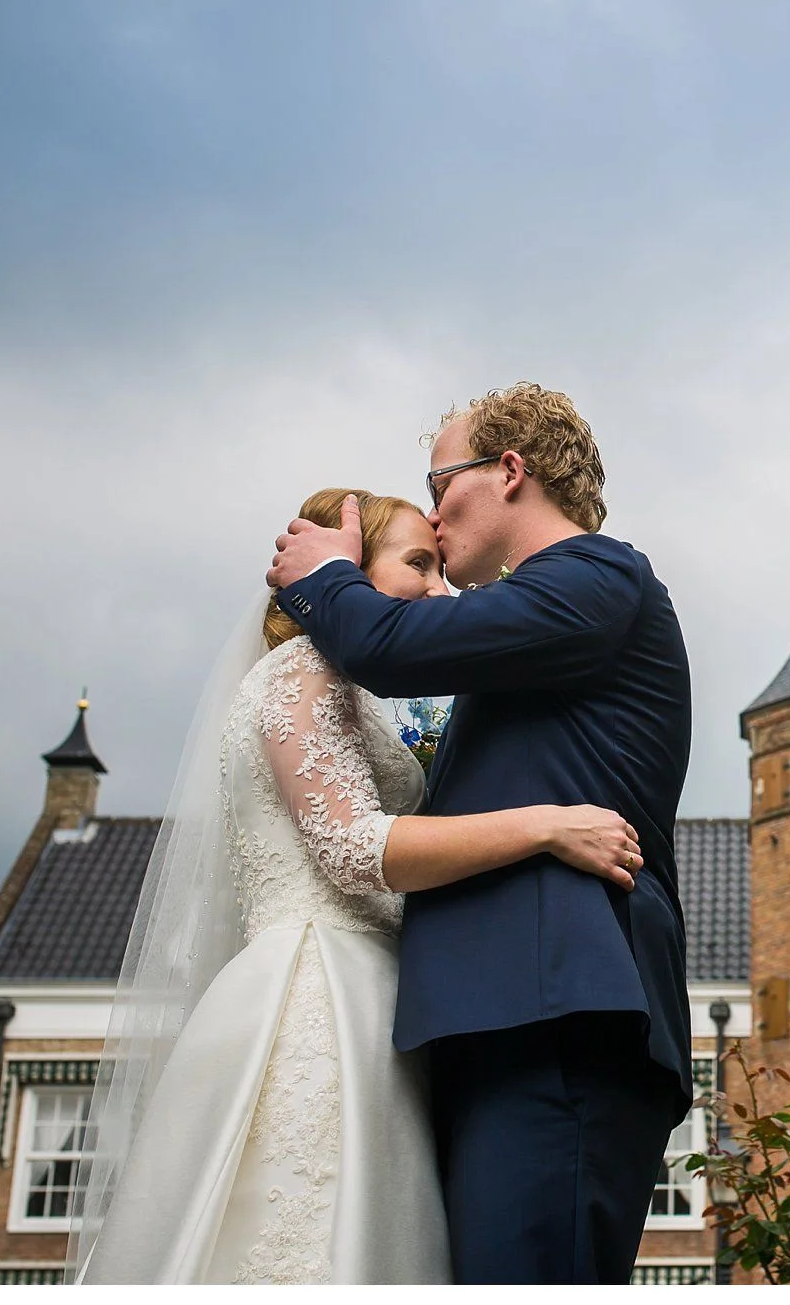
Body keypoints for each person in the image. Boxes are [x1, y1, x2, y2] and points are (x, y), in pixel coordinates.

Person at [70, 489, 644, 1284]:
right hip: (319, 991)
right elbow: (351, 845)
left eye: (441, 568)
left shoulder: (339, 686)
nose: (441, 589)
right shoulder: (305, 671)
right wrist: (548, 825)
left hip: (366, 987)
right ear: (348, 566)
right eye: (418, 564)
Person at [268, 384, 694, 1284]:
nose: (431, 510)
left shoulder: (599, 576)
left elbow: (388, 648)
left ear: (509, 472)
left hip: (560, 1009)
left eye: (439, 482)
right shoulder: (532, 642)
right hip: (500, 1011)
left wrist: (325, 575)